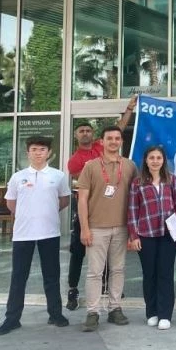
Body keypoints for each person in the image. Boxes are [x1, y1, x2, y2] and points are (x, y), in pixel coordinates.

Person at [65, 95, 137, 311]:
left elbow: (119, 127)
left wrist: (129, 109)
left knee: (110, 256)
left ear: (95, 135)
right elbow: (87, 185)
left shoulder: (102, 146)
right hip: (87, 213)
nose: (85, 133)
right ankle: (73, 290)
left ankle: (110, 289)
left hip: (112, 214)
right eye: (81, 131)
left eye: (88, 130)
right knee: (78, 253)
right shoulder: (75, 160)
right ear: (76, 135)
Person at [0, 136, 71, 336]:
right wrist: (28, 214)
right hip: (23, 234)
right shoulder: (18, 177)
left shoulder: (58, 176)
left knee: (52, 275)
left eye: (42, 149)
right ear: (27, 153)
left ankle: (55, 314)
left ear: (49, 153)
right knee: (18, 277)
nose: (38, 153)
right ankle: (12, 319)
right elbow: (11, 203)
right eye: (34, 149)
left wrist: (45, 212)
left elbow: (64, 200)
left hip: (49, 232)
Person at [77, 125, 137, 332]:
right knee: (95, 272)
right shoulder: (90, 166)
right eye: (109, 138)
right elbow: (82, 200)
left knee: (118, 270)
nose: (113, 142)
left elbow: (136, 198)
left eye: (117, 138)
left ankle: (115, 308)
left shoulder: (130, 166)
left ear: (121, 141)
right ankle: (93, 312)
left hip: (122, 228)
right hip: (96, 228)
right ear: (101, 142)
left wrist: (133, 231)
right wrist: (84, 228)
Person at [128, 145, 176, 331]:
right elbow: (132, 210)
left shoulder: (171, 179)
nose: (155, 161)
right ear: (146, 161)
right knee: (149, 274)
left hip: (169, 234)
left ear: (163, 161)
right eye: (151, 158)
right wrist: (133, 235)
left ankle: (165, 314)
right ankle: (152, 312)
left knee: (165, 273)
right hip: (146, 234)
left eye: (158, 158)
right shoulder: (137, 183)